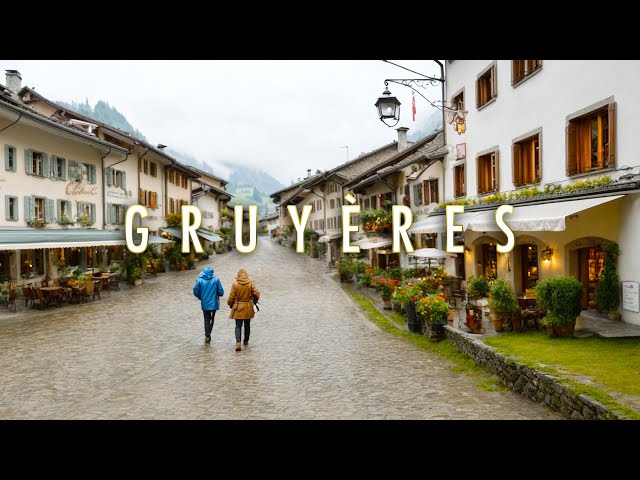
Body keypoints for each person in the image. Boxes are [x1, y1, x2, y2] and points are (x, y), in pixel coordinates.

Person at [227, 268, 260, 351]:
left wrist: (230, 303)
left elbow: (231, 297)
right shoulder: (250, 284)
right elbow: (257, 293)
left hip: (238, 306)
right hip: (248, 306)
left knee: (238, 326)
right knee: (247, 325)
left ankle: (238, 342)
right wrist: (255, 299)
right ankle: (246, 340)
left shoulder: (235, 284)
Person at [193, 266, 224, 344]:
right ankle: (209, 332)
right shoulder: (216, 279)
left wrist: (201, 297)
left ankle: (207, 335)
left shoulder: (200, 280)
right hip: (214, 303)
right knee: (212, 318)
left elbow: (195, 290)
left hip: (205, 303)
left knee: (206, 319)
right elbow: (221, 292)